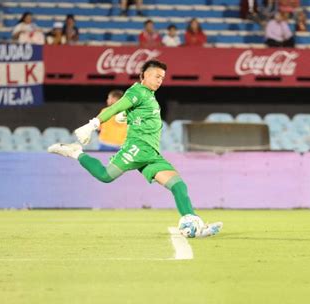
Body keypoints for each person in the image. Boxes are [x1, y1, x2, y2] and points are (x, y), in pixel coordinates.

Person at [48, 60, 223, 238]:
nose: (160, 80)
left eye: (162, 77)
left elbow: (128, 113)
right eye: (156, 76)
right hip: (138, 147)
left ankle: (194, 223)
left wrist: (126, 115)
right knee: (105, 176)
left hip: (152, 154)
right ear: (144, 75)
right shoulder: (137, 91)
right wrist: (92, 125)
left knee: (179, 186)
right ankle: (76, 152)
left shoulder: (149, 96)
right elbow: (115, 107)